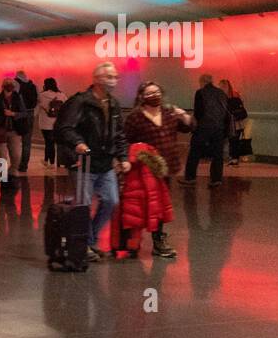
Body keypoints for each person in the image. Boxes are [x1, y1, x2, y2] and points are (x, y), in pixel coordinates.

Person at [55, 62, 131, 262]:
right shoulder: (80, 102)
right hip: (83, 162)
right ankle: (84, 243)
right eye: (109, 77)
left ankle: (90, 239)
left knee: (111, 201)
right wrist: (78, 142)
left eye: (115, 77)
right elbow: (64, 128)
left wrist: (123, 157)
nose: (113, 81)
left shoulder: (114, 104)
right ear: (97, 79)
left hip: (105, 163)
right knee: (83, 205)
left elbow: (119, 134)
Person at [123, 81, 192, 258]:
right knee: (141, 204)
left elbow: (189, 126)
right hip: (144, 168)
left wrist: (185, 116)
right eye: (150, 93)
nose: (155, 95)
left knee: (160, 205)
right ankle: (133, 239)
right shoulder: (135, 117)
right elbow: (125, 140)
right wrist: (128, 160)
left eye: (157, 92)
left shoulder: (169, 113)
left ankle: (158, 240)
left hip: (166, 168)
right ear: (142, 97)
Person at [181, 73, 230, 188]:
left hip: (204, 127)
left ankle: (190, 178)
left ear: (203, 82)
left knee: (194, 152)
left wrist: (193, 125)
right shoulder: (221, 93)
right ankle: (216, 179)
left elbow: (199, 112)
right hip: (219, 128)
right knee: (218, 155)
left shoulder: (200, 93)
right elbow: (226, 112)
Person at [0, 78, 28, 180]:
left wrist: (13, 114)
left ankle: (12, 171)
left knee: (16, 155)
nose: (10, 86)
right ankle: (2, 175)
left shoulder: (18, 98)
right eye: (7, 84)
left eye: (11, 84)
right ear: (3, 87)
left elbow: (24, 113)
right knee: (2, 155)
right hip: (0, 130)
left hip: (14, 130)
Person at [37, 77, 66, 169]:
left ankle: (52, 162)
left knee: (48, 142)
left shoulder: (41, 95)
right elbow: (67, 106)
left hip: (45, 123)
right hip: (57, 123)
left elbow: (38, 105)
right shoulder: (62, 95)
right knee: (52, 142)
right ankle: (46, 160)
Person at [13, 70, 38, 174]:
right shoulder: (33, 85)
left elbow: (13, 97)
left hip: (19, 114)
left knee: (13, 140)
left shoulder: (15, 83)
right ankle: (24, 165)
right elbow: (38, 100)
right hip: (30, 113)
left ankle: (15, 163)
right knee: (27, 142)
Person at [220, 78, 248, 165]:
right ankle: (234, 158)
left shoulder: (223, 98)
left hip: (230, 123)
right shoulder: (235, 96)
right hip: (237, 123)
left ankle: (232, 158)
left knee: (231, 141)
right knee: (234, 141)